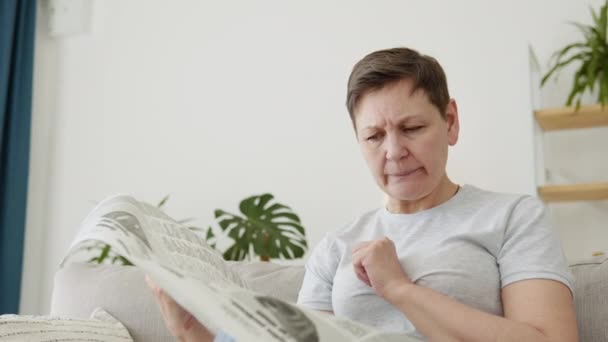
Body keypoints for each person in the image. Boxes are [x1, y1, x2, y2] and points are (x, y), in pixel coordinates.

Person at [147, 47, 578, 341]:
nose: (394, 152)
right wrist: (196, 333)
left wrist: (400, 289)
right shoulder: (336, 246)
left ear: (450, 121)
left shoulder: (511, 216)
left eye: (411, 128)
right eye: (373, 136)